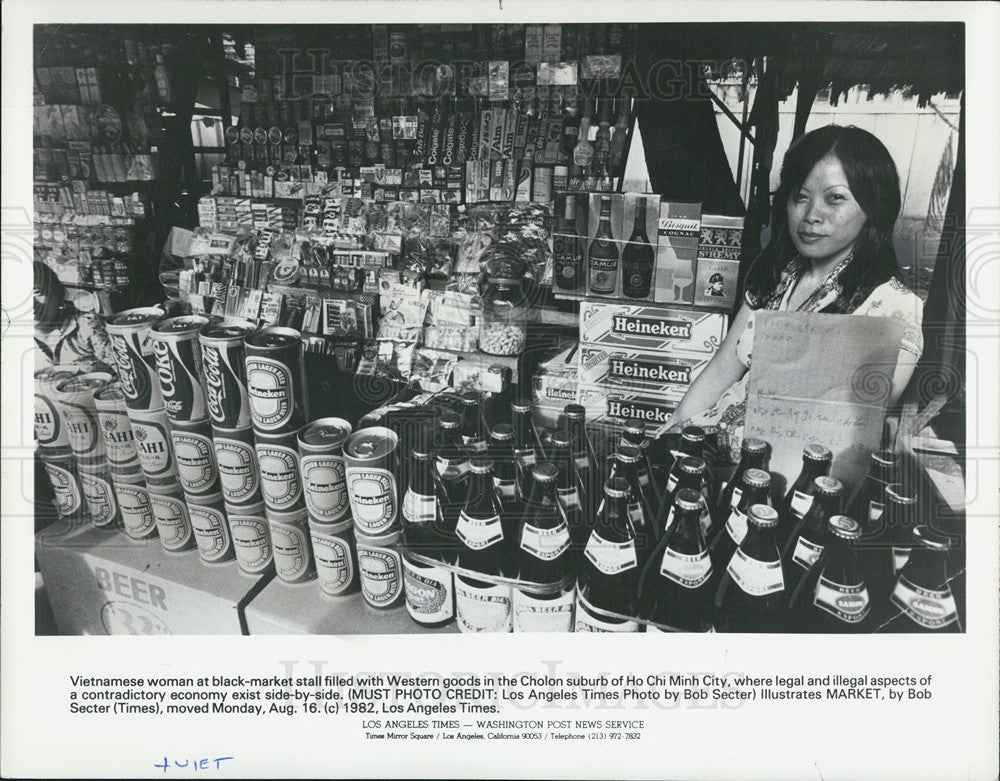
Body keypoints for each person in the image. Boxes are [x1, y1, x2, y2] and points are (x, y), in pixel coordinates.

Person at [668, 125, 924, 463]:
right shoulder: (778, 277)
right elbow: (720, 371)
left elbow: (851, 434)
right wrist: (672, 433)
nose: (811, 215)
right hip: (712, 451)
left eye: (835, 198)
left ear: (874, 206)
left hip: (792, 479)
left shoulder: (893, 309)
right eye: (800, 196)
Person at [33, 260, 115, 369]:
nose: (32, 304)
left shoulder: (88, 325)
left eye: (37, 293)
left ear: (57, 293)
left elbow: (129, 374)